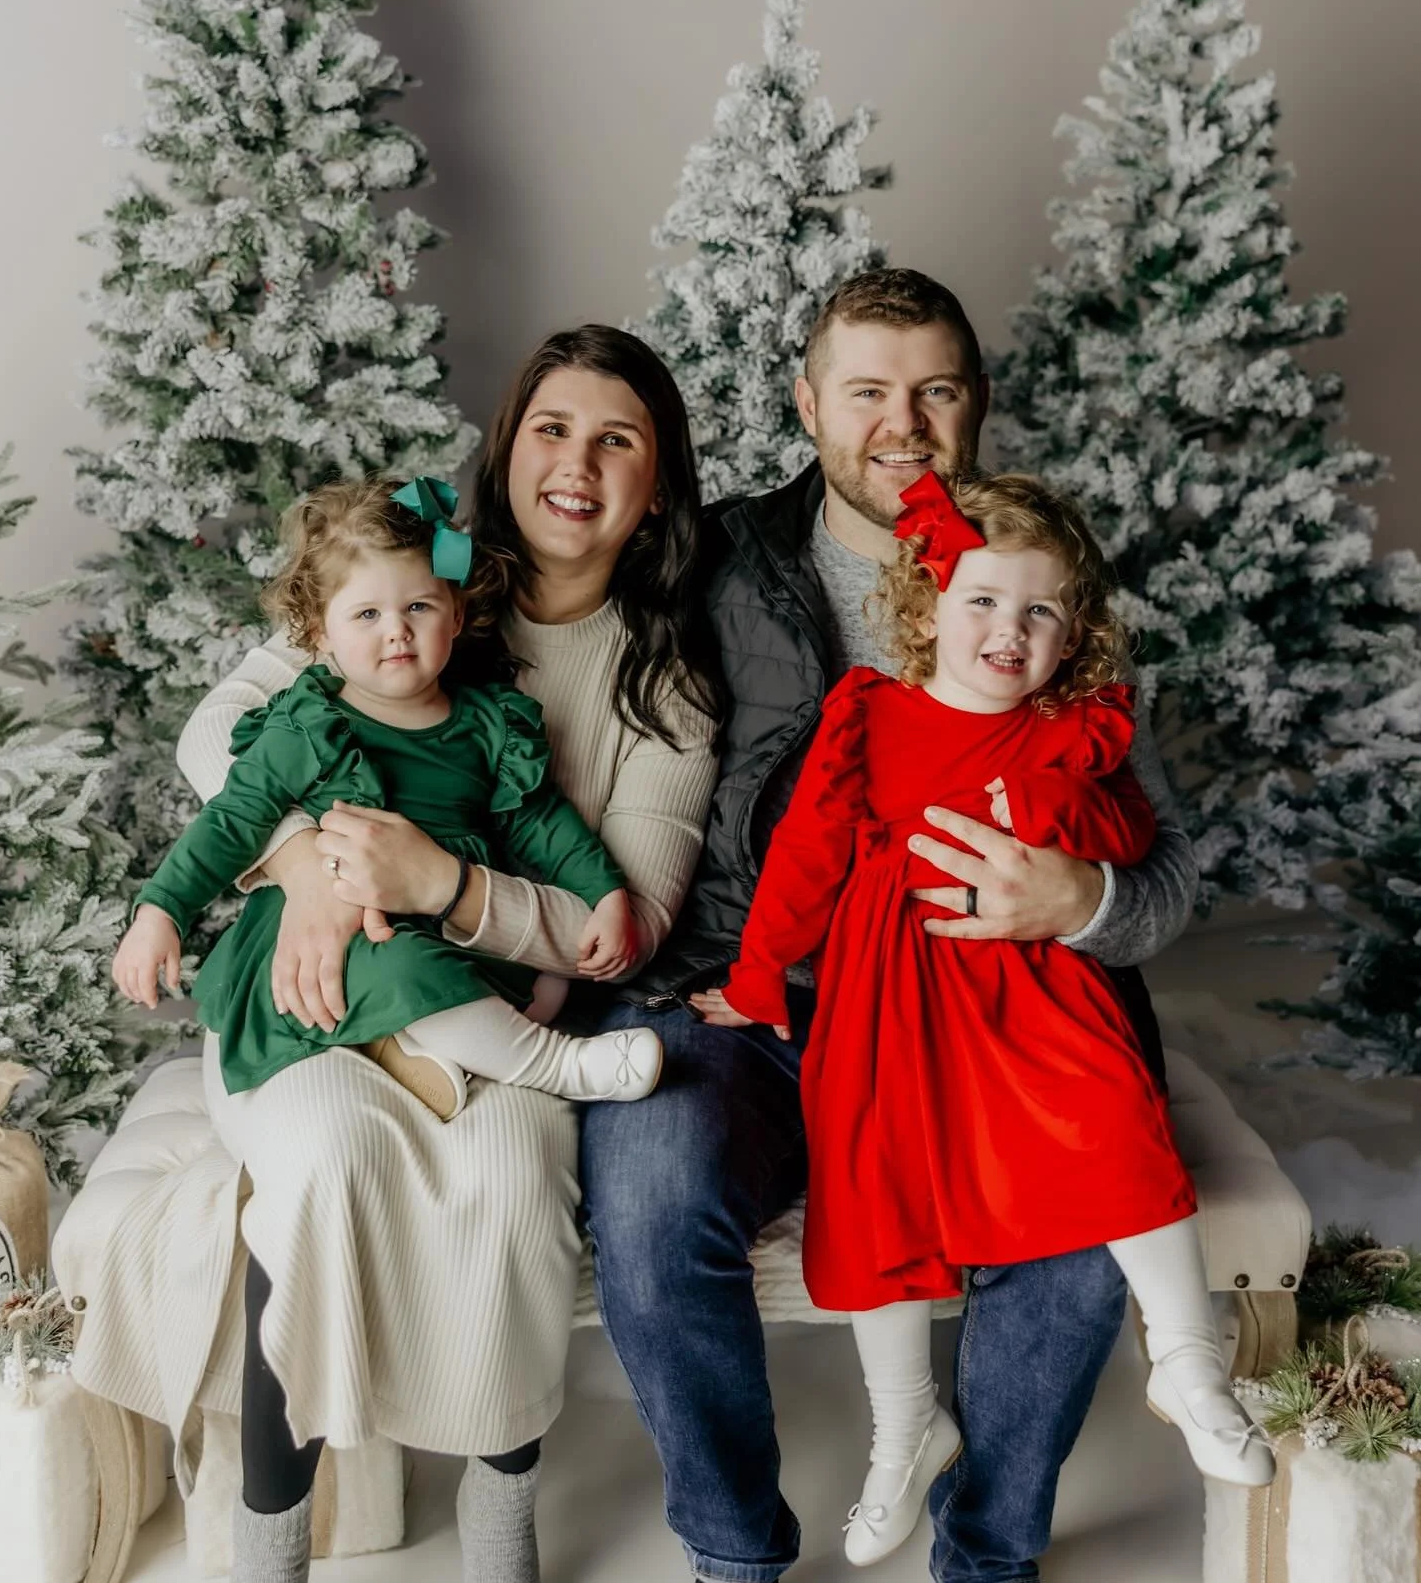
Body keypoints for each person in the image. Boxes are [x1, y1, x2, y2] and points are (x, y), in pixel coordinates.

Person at [264, 270, 1199, 1582]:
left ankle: (986, 1553)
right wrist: (312, 843)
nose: (902, 422)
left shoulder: (1039, 581)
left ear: (975, 405)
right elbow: (389, 653)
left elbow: (1166, 867)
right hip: (738, 1002)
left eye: (934, 389)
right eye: (867, 390)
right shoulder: (707, 554)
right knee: (650, 1197)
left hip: (991, 1018)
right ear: (809, 402)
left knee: (1076, 1247)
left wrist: (1083, 898)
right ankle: (733, 1552)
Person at [151, 327, 723, 1583]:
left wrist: (448, 889)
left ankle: (500, 1518)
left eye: (618, 439)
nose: (577, 463)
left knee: (516, 1179)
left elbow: (623, 912)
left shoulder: (659, 681)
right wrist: (310, 860)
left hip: (504, 1008)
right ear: (508, 448)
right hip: (319, 987)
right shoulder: (402, 583)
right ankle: (271, 1539)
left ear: (660, 481)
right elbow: (221, 738)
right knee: (325, 1165)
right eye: (552, 429)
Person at [720, 468, 1273, 1567]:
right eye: (981, 600)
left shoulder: (1076, 735)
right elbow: (806, 854)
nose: (1007, 630)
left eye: (1039, 611)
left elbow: (1127, 841)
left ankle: (1186, 1358)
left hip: (1032, 993)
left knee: (1113, 1117)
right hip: (891, 998)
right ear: (930, 605)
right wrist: (756, 973)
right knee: (872, 1190)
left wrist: (1058, 832)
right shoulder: (871, 714)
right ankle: (903, 1428)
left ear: (1075, 638)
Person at [113, 472, 666, 1113]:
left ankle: (405, 1041)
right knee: (405, 971)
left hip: (443, 922)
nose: (397, 631)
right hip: (348, 934)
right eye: (368, 614)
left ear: (457, 615)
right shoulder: (310, 722)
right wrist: (160, 910)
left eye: (419, 608)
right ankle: (560, 1065)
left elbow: (540, 820)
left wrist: (605, 892)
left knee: (540, 986)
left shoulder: (490, 723)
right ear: (320, 633)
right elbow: (234, 819)